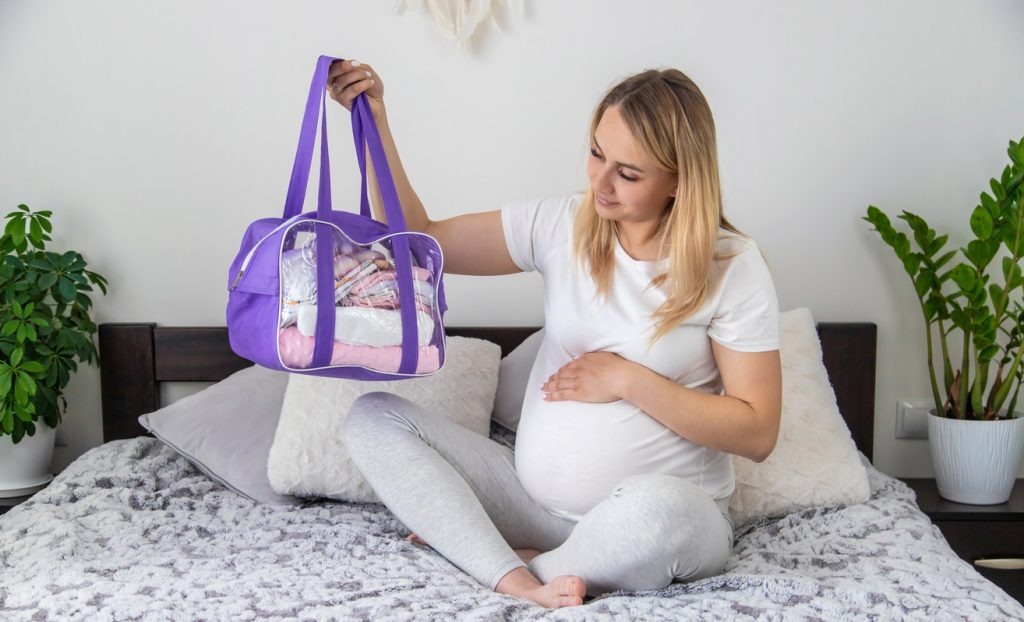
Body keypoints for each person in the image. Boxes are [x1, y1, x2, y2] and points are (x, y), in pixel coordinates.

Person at [327, 59, 782, 609]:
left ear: (680, 179)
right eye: (596, 153)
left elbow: (758, 432)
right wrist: (373, 122)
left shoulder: (731, 265)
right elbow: (418, 239)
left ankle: (513, 564)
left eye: (628, 173)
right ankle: (522, 578)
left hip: (660, 517)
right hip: (533, 504)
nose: (600, 183)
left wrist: (628, 379)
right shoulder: (561, 223)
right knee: (373, 418)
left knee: (666, 514)